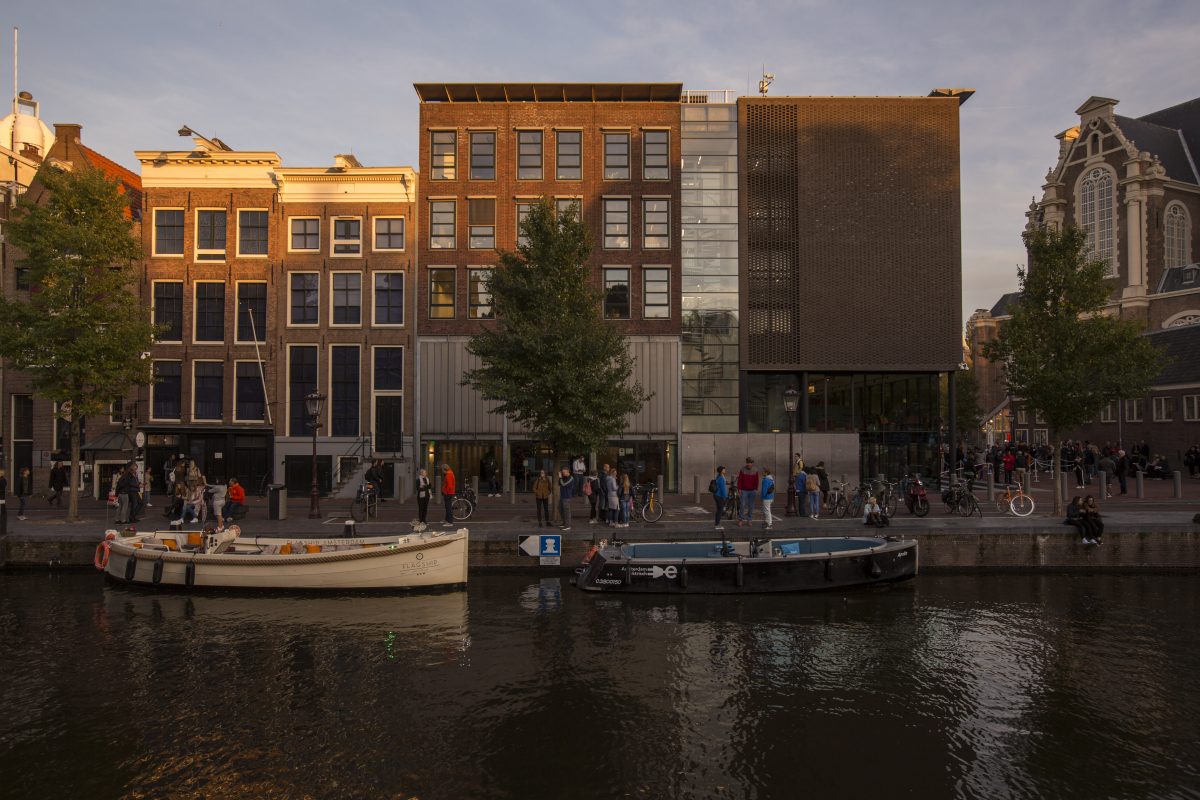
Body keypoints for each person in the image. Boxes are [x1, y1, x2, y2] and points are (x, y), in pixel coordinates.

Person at [736, 457, 759, 527]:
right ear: (746, 463)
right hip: (744, 490)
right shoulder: (742, 469)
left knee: (751, 506)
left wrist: (756, 489)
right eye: (748, 462)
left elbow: (757, 480)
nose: (749, 464)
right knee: (742, 505)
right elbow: (740, 480)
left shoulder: (755, 470)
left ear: (752, 463)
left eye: (750, 463)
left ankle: (749, 520)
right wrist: (739, 489)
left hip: (752, 491)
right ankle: (741, 520)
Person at [712, 465, 728, 531]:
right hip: (719, 496)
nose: (725, 470)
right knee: (720, 510)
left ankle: (717, 523)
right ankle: (717, 525)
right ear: (721, 471)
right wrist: (725, 497)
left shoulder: (719, 476)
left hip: (716, 495)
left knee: (719, 510)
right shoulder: (721, 478)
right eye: (724, 469)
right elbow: (722, 489)